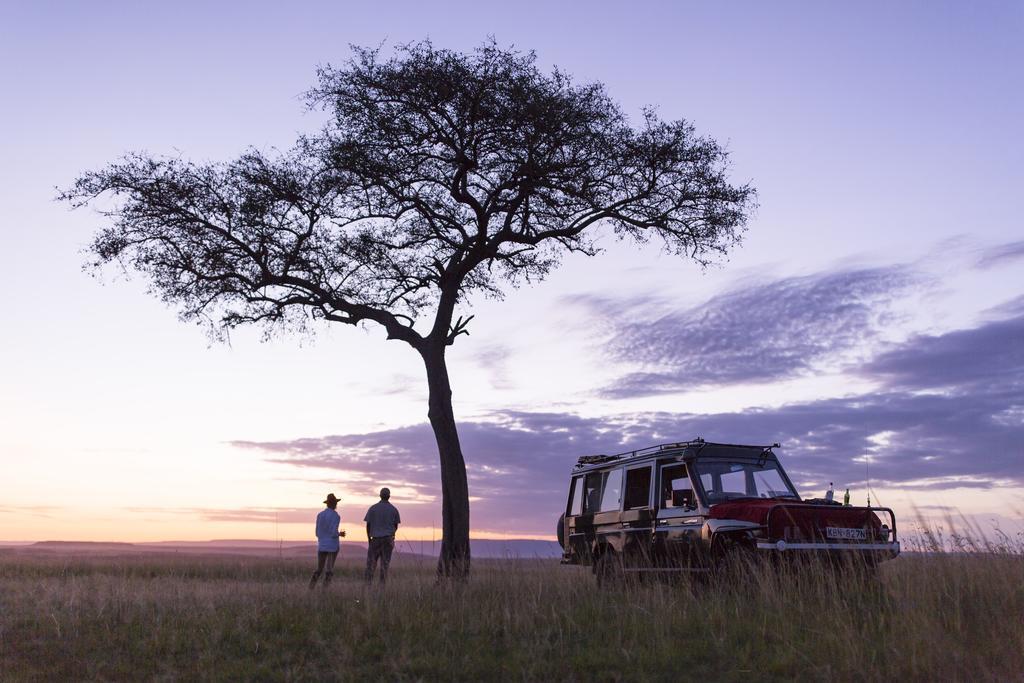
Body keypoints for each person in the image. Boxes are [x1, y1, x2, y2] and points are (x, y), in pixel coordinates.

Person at [364, 487, 401, 584]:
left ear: (380, 496)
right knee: (385, 566)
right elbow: (395, 526)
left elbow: (368, 525)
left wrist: (369, 540)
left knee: (371, 565)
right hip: (388, 540)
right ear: (389, 496)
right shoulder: (394, 509)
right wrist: (391, 536)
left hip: (375, 540)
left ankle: (368, 587)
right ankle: (382, 588)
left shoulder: (373, 508)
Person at [309, 493, 346, 588]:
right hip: (332, 546)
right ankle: (325, 590)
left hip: (322, 545)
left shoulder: (320, 515)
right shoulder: (336, 516)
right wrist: (339, 534)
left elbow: (317, 533)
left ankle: (311, 587)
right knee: (329, 569)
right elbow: (333, 532)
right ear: (334, 504)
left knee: (319, 569)